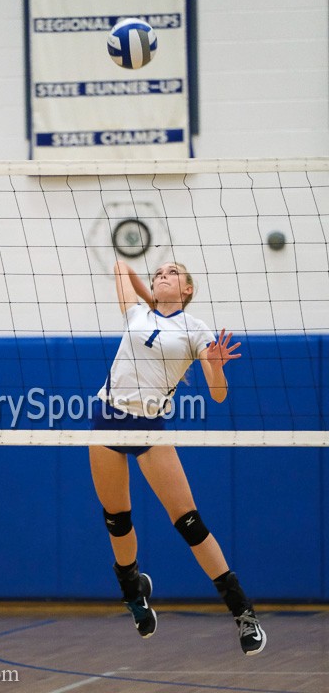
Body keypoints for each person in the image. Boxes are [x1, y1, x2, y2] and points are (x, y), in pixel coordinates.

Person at [89, 260, 266, 655]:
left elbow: (218, 394)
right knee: (117, 521)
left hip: (149, 427)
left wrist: (217, 369)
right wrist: (145, 291)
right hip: (106, 419)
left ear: (187, 289)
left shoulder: (196, 329)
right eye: (158, 274)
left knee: (189, 523)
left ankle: (242, 612)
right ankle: (134, 593)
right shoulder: (135, 313)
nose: (162, 276)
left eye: (172, 273)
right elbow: (120, 266)